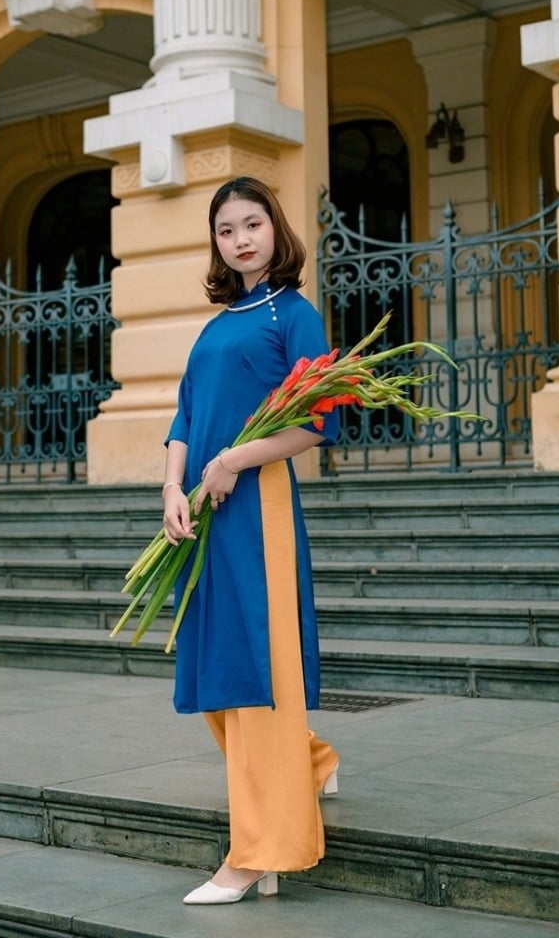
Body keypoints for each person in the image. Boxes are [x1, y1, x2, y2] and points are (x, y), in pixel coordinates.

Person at [162, 176, 341, 906]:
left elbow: (317, 420)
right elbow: (182, 415)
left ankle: (260, 851)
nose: (239, 238)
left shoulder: (291, 315)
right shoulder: (217, 323)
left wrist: (234, 460)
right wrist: (172, 489)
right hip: (199, 509)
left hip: (254, 504)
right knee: (213, 665)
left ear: (275, 230)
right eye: (226, 229)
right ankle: (312, 762)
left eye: (252, 224)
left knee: (254, 668)